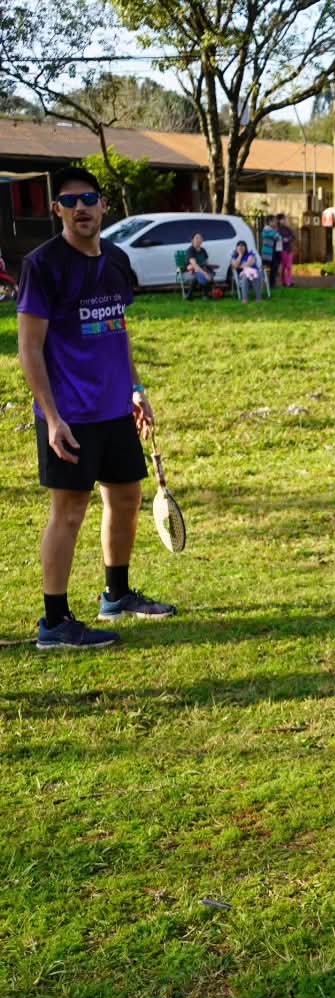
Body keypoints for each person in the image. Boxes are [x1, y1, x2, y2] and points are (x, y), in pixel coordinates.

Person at [16, 165, 176, 650]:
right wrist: (52, 418)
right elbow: (29, 348)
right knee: (68, 512)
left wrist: (135, 388)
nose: (80, 208)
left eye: (88, 198)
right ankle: (54, 622)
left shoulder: (117, 260)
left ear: (105, 205)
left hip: (115, 408)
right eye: (69, 201)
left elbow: (116, 329)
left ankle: (117, 594)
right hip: (70, 416)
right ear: (57, 210)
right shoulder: (43, 265)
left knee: (126, 497)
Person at [181, 233, 214, 297]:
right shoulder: (190, 250)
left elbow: (206, 263)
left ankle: (191, 295)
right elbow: (194, 265)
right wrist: (205, 274)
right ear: (192, 240)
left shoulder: (203, 250)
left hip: (201, 270)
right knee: (202, 276)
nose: (199, 240)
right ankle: (204, 295)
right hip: (190, 271)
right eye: (197, 238)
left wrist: (208, 270)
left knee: (209, 274)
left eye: (200, 238)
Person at [259, 215, 281, 291]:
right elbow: (278, 237)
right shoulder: (267, 229)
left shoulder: (271, 229)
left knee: (274, 268)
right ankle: (261, 284)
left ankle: (272, 285)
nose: (276, 222)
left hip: (272, 252)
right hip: (267, 252)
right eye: (274, 221)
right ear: (270, 222)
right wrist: (276, 232)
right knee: (265, 268)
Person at [276, 213, 297, 287]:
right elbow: (277, 238)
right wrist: (282, 239)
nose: (284, 220)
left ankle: (289, 282)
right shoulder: (277, 229)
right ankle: (283, 281)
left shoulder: (287, 228)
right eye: (282, 219)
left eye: (284, 219)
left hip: (289, 249)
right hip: (282, 250)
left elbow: (293, 236)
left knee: (289, 266)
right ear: (279, 220)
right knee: (283, 266)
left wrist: (288, 239)